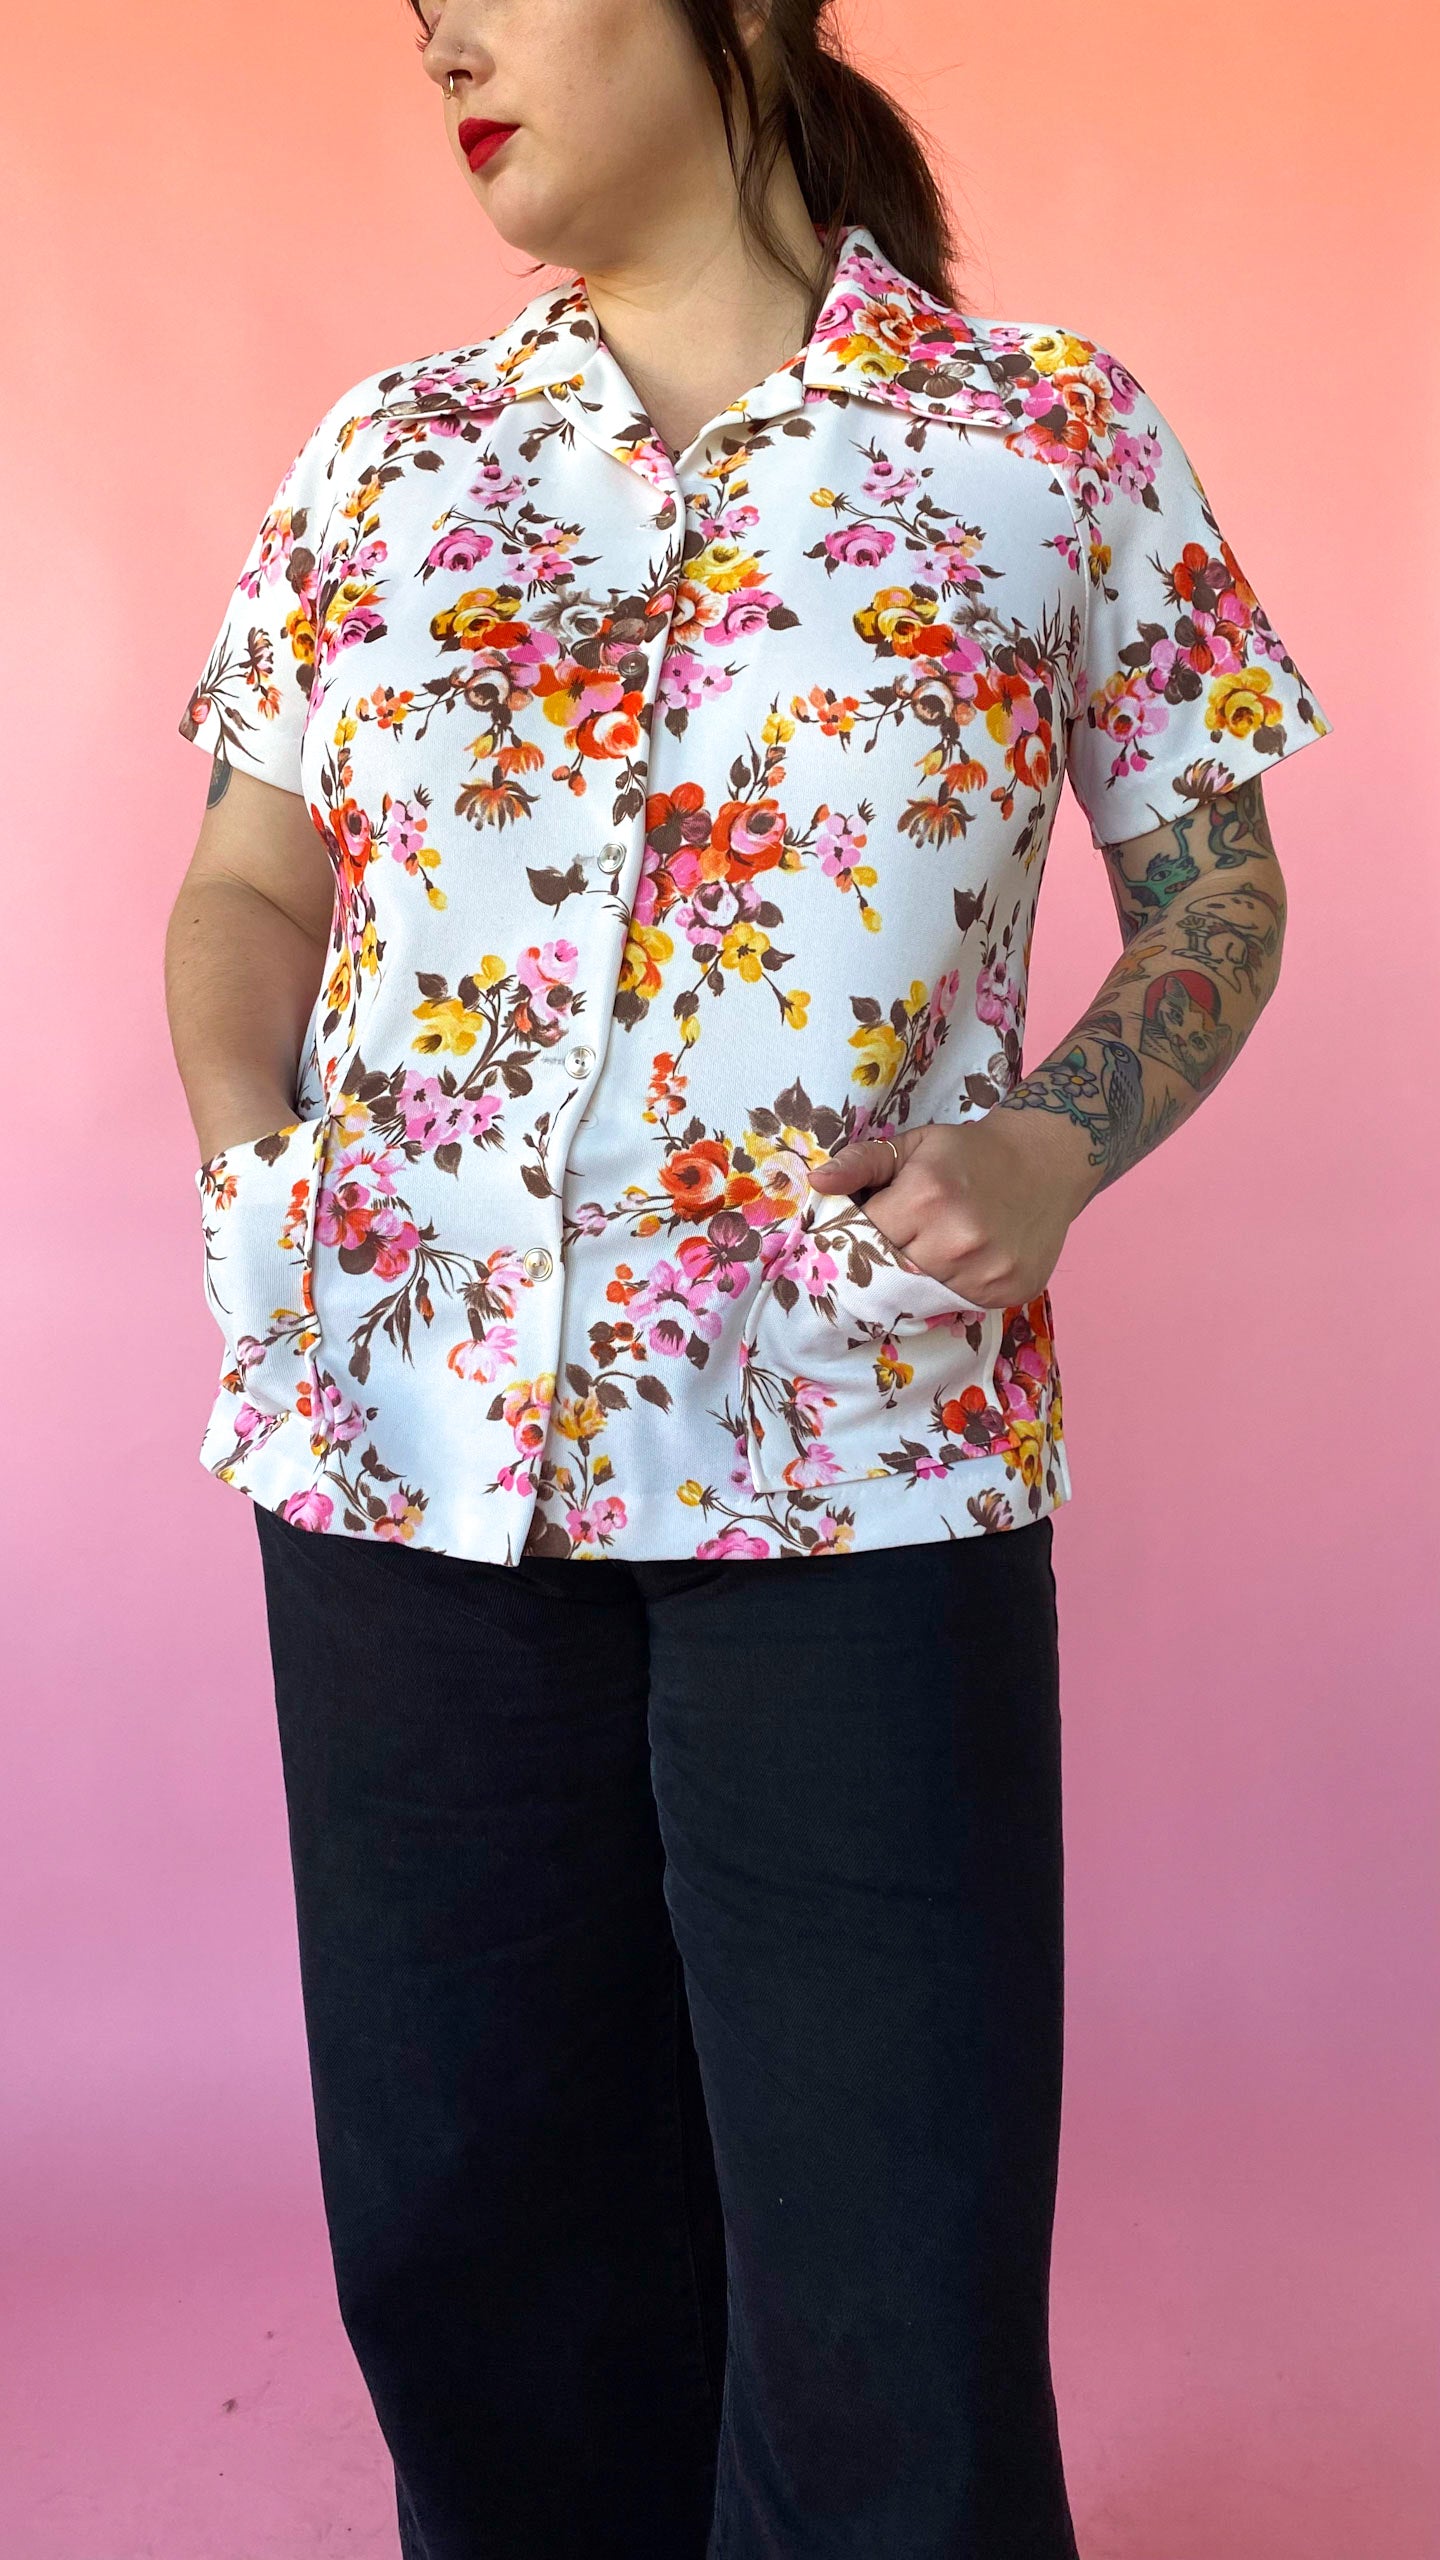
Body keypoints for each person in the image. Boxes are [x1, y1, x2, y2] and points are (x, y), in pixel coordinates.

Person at [164, 4, 1332, 2554]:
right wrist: (258, 1159)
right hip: (398, 1460)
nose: (439, 31)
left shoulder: (1043, 437)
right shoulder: (389, 455)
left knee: (887, 2287)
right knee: (475, 2248)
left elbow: (1218, 886)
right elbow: (248, 877)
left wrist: (1055, 1141)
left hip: (856, 1468)